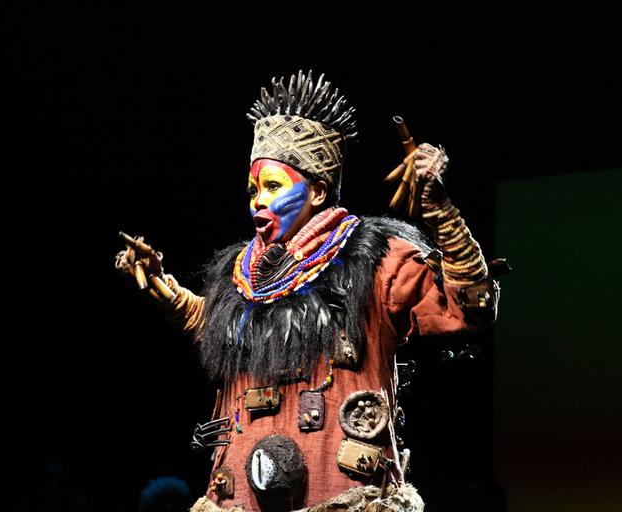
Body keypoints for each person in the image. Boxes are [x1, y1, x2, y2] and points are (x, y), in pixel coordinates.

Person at [116, 70, 500, 512]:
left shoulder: (373, 261)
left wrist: (440, 210)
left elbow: (468, 305)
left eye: (273, 187)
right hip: (239, 496)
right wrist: (165, 290)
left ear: (318, 190)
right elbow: (216, 325)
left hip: (341, 494)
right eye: (253, 190)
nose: (257, 201)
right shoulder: (240, 276)